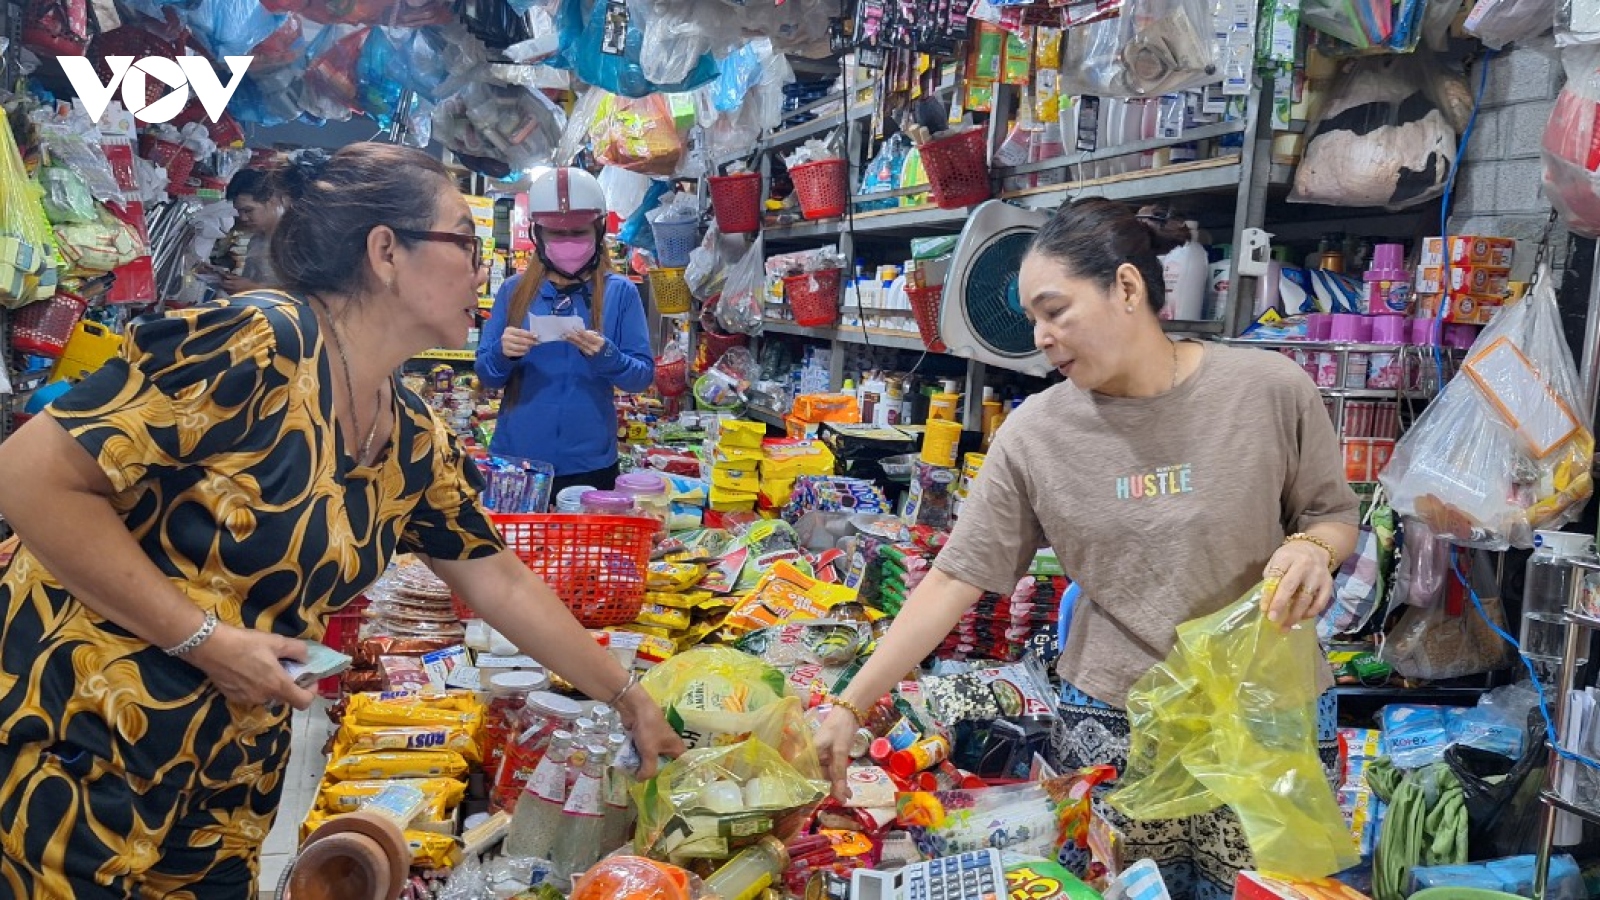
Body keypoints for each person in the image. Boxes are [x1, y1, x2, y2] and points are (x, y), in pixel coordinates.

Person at [0, 144, 684, 898]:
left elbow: (501, 580)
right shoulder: (260, 342)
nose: (482, 269)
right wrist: (203, 639)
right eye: (465, 241)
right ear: (386, 251)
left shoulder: (411, 435)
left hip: (221, 784)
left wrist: (629, 699)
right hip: (79, 753)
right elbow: (27, 477)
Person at [813, 198, 1359, 900]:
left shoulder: (1268, 390)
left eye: (1055, 310)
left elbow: (1332, 515)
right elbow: (955, 578)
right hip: (1116, 723)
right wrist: (850, 705)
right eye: (1032, 319)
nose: (1040, 336)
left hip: (1267, 717)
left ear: (1127, 288)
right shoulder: (1035, 434)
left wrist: (1315, 547)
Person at [475, 167, 653, 496]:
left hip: (590, 465)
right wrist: (503, 353)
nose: (568, 242)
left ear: (598, 230)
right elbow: (487, 375)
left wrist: (607, 355)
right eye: (557, 234)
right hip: (516, 462)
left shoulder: (620, 292)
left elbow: (641, 377)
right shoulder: (514, 291)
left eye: (579, 232)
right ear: (537, 235)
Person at [220, 166, 285, 293]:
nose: (243, 218)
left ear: (273, 201)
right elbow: (253, 281)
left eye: (248, 210)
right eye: (239, 211)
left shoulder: (294, 240)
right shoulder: (258, 237)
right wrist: (230, 281)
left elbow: (310, 295)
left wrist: (254, 289)